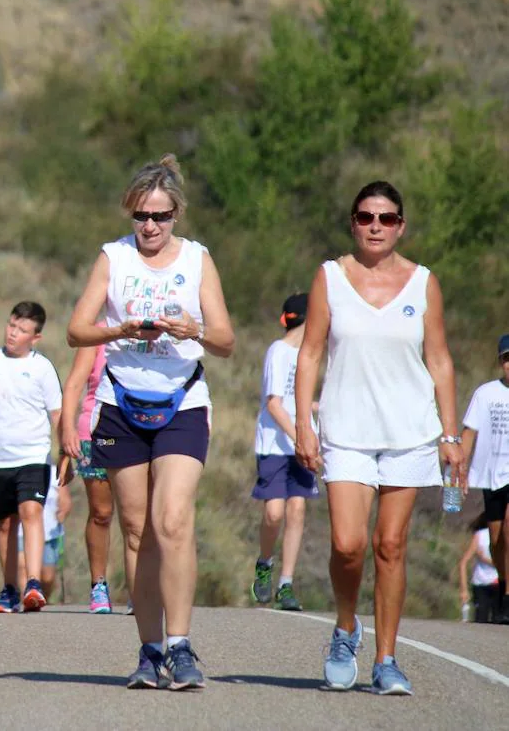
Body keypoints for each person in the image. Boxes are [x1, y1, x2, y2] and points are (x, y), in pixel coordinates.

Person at [65, 155, 235, 691]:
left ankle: (181, 646)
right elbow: (75, 330)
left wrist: (194, 330)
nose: (149, 227)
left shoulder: (199, 261)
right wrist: (121, 329)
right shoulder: (113, 258)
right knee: (136, 531)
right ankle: (149, 649)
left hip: (182, 401)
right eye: (140, 215)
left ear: (177, 214)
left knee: (173, 520)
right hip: (122, 403)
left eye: (160, 216)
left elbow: (227, 341)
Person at [294, 180, 463, 696]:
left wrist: (450, 434)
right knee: (348, 546)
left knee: (390, 545)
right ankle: (346, 628)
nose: (375, 226)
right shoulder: (330, 277)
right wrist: (304, 422)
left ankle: (387, 658)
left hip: (410, 432)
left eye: (386, 218)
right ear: (353, 222)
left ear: (400, 226)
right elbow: (310, 353)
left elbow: (438, 360)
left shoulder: (423, 283)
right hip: (345, 429)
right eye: (366, 216)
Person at [0, 301, 64, 614]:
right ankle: (9, 589)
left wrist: (65, 452)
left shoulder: (42, 367)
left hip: (34, 454)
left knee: (31, 511)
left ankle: (32, 583)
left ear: (36, 338)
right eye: (11, 325)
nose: (12, 333)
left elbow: (57, 412)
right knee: (6, 523)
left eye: (22, 330)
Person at [249, 293, 318, 612]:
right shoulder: (279, 351)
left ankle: (286, 584)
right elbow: (275, 404)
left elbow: (301, 400)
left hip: (301, 442)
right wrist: (299, 436)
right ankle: (265, 563)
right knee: (274, 512)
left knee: (297, 510)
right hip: (275, 443)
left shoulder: (311, 355)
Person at [58, 336, 120, 614]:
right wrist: (66, 434)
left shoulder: (152, 330)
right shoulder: (96, 334)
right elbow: (73, 385)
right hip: (96, 433)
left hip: (143, 432)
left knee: (140, 517)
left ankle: (142, 587)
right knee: (102, 512)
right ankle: (99, 585)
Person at [460, 334, 509, 614]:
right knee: (496, 539)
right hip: (492, 475)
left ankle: (508, 598)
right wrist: (460, 469)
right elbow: (469, 433)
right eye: (506, 359)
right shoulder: (486, 394)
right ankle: (503, 585)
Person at [17, 457, 74, 600]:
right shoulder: (19, 471)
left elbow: (66, 502)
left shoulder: (55, 472)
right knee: (22, 567)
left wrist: (62, 513)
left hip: (50, 533)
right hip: (21, 531)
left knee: (48, 577)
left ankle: (43, 598)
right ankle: (27, 599)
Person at [459, 512, 501, 624]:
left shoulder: (504, 535)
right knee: (480, 621)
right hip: (480, 584)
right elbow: (463, 562)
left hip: (498, 583)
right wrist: (464, 590)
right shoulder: (480, 535)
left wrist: (484, 559)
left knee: (499, 621)